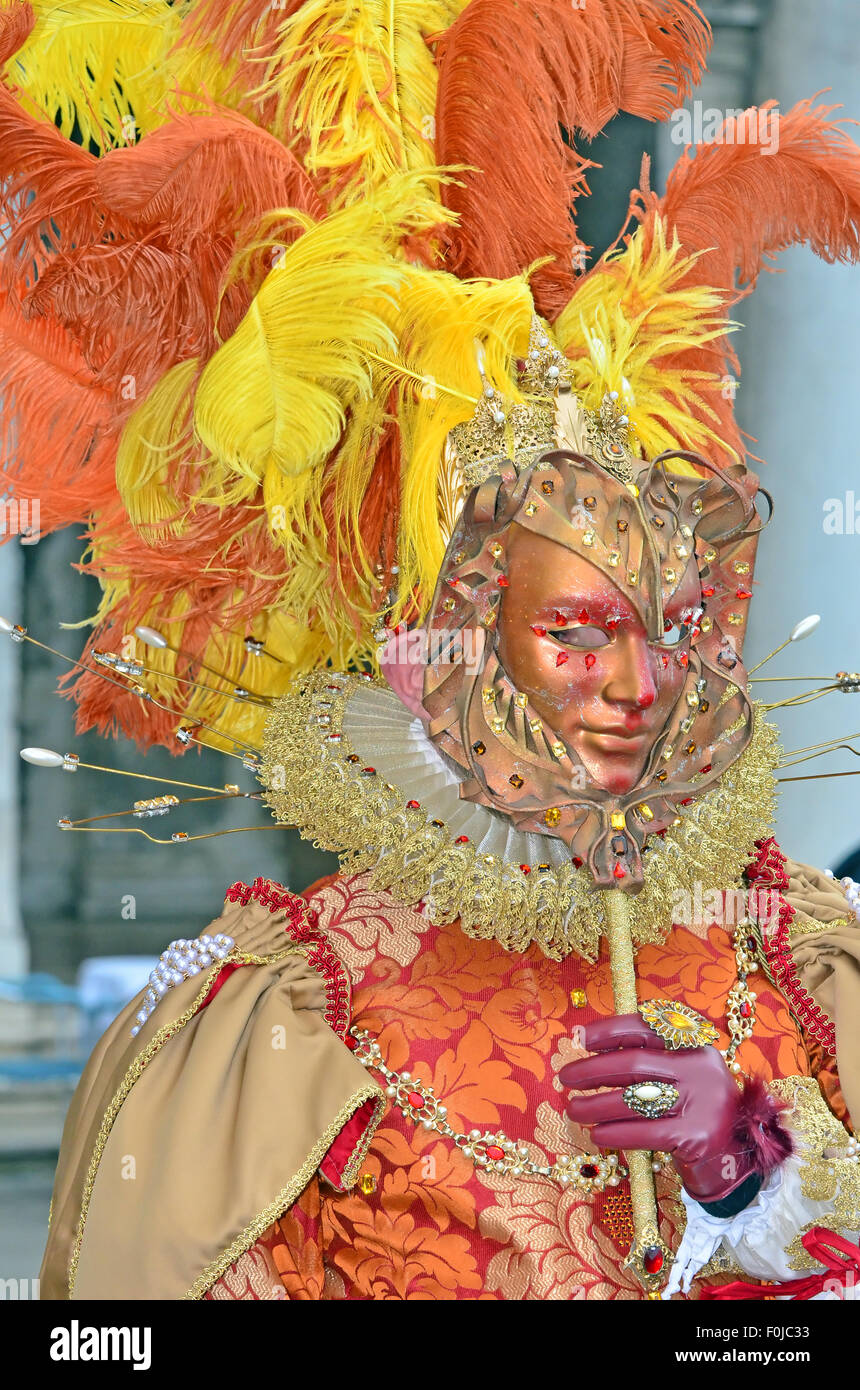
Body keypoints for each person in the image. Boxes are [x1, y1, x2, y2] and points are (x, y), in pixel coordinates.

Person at [0, 0, 857, 1299]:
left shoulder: (807, 956)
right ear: (433, 666)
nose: (645, 685)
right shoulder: (265, 1028)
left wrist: (749, 1166)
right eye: (576, 633)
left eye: (678, 629)